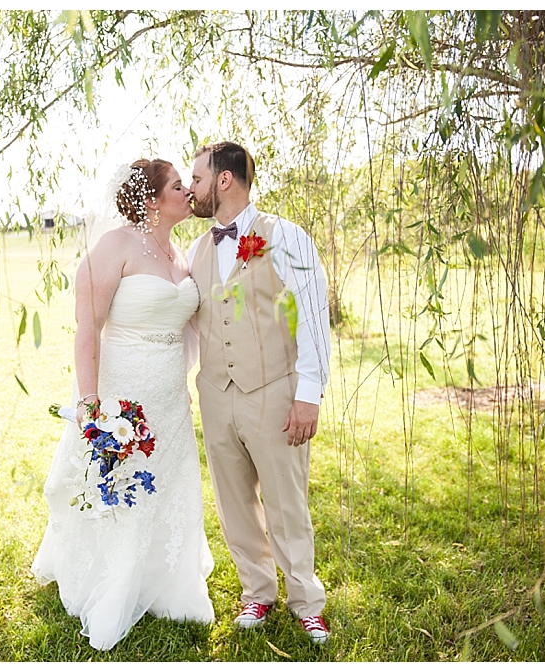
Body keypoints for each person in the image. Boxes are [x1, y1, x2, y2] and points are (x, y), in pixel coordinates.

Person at [32, 159, 215, 651]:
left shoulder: (180, 255)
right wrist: (91, 405)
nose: (187, 192)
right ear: (153, 200)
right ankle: (111, 578)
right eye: (179, 185)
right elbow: (88, 327)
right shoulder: (116, 245)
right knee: (121, 485)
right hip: (121, 394)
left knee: (167, 484)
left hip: (170, 398)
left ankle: (168, 581)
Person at [185, 141, 332, 644]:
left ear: (225, 180)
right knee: (233, 503)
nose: (192, 190)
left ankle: (307, 601)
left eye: (198, 179)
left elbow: (312, 317)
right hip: (215, 393)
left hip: (273, 389)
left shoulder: (286, 237)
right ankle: (257, 591)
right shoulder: (196, 250)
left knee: (285, 501)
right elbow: (188, 328)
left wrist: (308, 394)